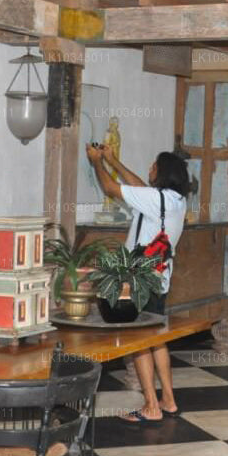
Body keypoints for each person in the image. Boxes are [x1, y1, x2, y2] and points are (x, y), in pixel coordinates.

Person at [85, 143, 189, 424]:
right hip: (159, 278)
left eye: (154, 166)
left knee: (140, 342)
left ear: (163, 172)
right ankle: (168, 400)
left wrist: (97, 162)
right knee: (157, 340)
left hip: (140, 281)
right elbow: (140, 187)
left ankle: (151, 406)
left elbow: (110, 188)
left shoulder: (157, 199)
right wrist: (114, 161)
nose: (150, 169)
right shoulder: (175, 200)